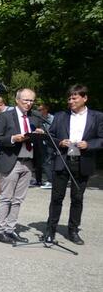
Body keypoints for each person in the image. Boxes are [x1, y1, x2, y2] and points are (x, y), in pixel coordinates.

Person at [44, 85, 103, 245]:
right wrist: (60, 142)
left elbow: (101, 138)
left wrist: (89, 144)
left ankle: (73, 230)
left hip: (82, 161)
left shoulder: (97, 116)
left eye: (74, 98)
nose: (70, 101)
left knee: (77, 198)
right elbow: (50, 137)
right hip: (63, 160)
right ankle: (50, 230)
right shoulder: (60, 116)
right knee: (56, 198)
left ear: (84, 98)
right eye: (69, 98)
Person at [0, 88, 44, 244]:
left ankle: (10, 229)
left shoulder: (35, 117)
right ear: (17, 100)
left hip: (28, 162)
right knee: (6, 198)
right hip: (10, 161)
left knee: (18, 199)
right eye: (26, 100)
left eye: (32, 100)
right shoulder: (5, 116)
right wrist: (13, 138)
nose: (29, 103)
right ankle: (0, 231)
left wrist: (39, 134)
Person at [37, 103, 56, 189]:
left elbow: (53, 131)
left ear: (46, 109)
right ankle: (45, 180)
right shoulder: (39, 119)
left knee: (47, 161)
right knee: (42, 162)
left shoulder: (51, 118)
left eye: (40, 110)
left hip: (49, 143)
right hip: (41, 142)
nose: (39, 111)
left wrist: (43, 132)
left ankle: (51, 181)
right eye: (38, 110)